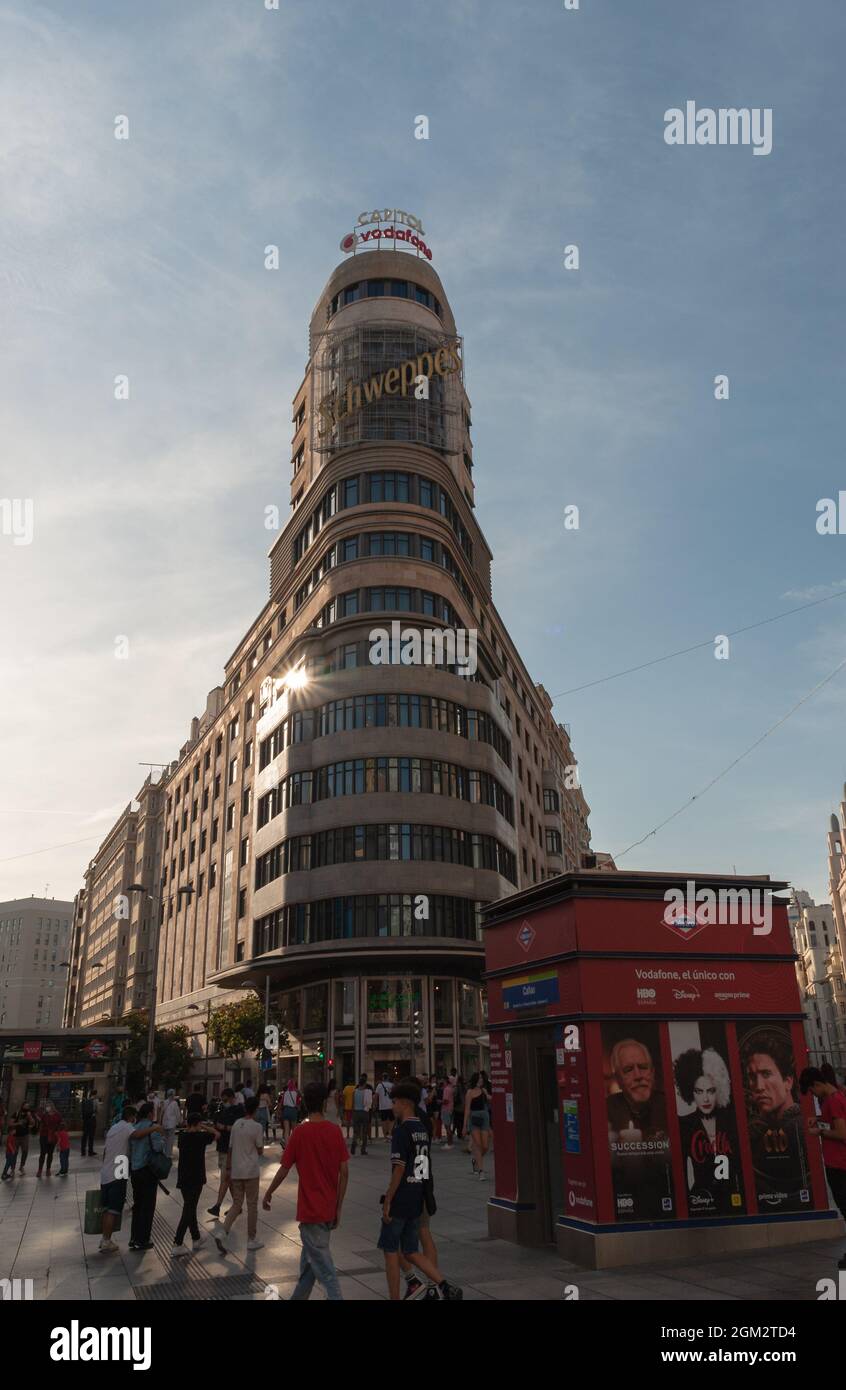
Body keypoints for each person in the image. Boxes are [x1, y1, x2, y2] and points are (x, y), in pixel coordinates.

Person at [262, 1082, 349, 1300]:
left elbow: (283, 1169)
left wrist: (269, 1192)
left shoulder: (300, 1133)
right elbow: (344, 1172)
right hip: (328, 1208)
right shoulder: (334, 1131)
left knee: (326, 1272)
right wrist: (338, 1206)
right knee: (309, 1270)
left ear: (303, 1103)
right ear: (323, 1102)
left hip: (311, 1211)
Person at [379, 1082, 462, 1301]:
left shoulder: (402, 1131)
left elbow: (399, 1168)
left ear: (405, 1104)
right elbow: (422, 1167)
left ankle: (395, 1297)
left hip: (401, 1198)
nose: (393, 1106)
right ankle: (444, 1285)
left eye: (395, 1102)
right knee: (411, 1250)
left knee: (390, 1250)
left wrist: (389, 1198)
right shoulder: (422, 1130)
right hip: (417, 1196)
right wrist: (421, 1191)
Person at [673, 1047, 743, 1214]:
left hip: (733, 1200)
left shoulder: (730, 1121)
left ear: (718, 1090)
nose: (705, 1099)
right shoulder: (684, 1125)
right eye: (699, 1091)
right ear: (690, 1091)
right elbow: (680, 1172)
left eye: (711, 1091)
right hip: (701, 1202)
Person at [800, 1066, 846, 1269]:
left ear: (817, 1084)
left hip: (838, 1164)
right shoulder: (838, 1097)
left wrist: (819, 1131)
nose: (813, 1095)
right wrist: (820, 1121)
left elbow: (842, 1134)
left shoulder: (833, 1101)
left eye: (812, 1091)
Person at [215, 1095, 265, 1252]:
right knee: (252, 1206)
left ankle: (223, 1231)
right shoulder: (257, 1127)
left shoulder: (236, 1124)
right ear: (256, 1109)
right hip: (251, 1171)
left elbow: (229, 1149)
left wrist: (229, 1168)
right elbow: (260, 1150)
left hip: (236, 1170)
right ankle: (251, 1239)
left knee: (236, 1204)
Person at [172, 1112, 216, 1257]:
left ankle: (196, 1237)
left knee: (190, 1206)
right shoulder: (201, 1136)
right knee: (189, 1208)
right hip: (196, 1177)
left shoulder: (182, 1137)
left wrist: (196, 1125)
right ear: (198, 1124)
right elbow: (216, 1134)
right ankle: (177, 1243)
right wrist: (204, 1126)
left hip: (184, 1177)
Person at [98, 1103, 138, 1252]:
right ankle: (106, 1241)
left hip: (106, 1172)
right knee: (113, 1210)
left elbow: (105, 1151)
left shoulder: (113, 1129)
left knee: (107, 1208)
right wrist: (154, 1128)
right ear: (131, 1117)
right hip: (118, 1172)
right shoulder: (127, 1127)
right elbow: (137, 1135)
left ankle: (104, 1239)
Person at [128, 1102, 165, 1251]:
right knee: (148, 1206)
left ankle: (134, 1237)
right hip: (148, 1171)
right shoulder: (153, 1129)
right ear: (150, 1113)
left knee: (137, 1205)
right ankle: (143, 1239)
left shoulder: (134, 1128)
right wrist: (162, 1139)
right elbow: (157, 1147)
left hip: (135, 1170)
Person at [208, 1086, 244, 1218]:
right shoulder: (221, 1110)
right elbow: (216, 1123)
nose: (224, 1102)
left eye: (226, 1099)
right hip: (222, 1148)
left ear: (232, 1098)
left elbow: (239, 1127)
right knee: (228, 1180)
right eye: (222, 1100)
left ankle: (217, 1206)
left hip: (232, 1150)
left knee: (225, 1178)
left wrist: (225, 1127)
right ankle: (237, 1206)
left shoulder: (239, 1110)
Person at [464, 1073, 492, 1180]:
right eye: (479, 1078)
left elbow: (490, 1098)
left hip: (484, 1118)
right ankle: (481, 1171)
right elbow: (467, 1110)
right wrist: (464, 1126)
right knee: (478, 1145)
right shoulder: (469, 1093)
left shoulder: (484, 1091)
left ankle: (476, 1160)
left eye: (482, 1078)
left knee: (485, 1146)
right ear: (475, 1079)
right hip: (474, 1119)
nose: (481, 1080)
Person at [36, 1099, 62, 1177]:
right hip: (44, 1135)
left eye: (48, 1106)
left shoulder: (57, 1115)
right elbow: (40, 1122)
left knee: (50, 1153)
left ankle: (48, 1169)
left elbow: (60, 1125)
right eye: (46, 1106)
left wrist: (58, 1134)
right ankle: (40, 1170)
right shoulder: (44, 1115)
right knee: (43, 1153)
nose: (47, 1108)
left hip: (53, 1136)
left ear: (52, 1106)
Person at [350, 1075, 373, 1155]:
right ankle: (363, 1150)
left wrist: (353, 1113)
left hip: (356, 1112)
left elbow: (352, 1104)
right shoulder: (367, 1092)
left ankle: (354, 1142)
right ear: (365, 1084)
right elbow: (369, 1103)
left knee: (356, 1131)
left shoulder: (354, 1091)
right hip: (364, 1112)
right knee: (364, 1131)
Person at [161, 1089, 182, 1158]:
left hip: (165, 1123)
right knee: (170, 1139)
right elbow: (177, 1113)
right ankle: (168, 1154)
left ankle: (164, 1152)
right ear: (173, 1095)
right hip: (172, 1123)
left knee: (165, 1138)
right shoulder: (175, 1103)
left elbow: (162, 1112)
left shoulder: (164, 1102)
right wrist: (180, 1121)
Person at [280, 1078, 301, 1146]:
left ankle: (286, 1144)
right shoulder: (296, 1093)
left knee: (286, 1129)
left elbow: (282, 1103)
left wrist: (279, 1111)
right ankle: (294, 1144)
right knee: (294, 1129)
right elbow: (298, 1104)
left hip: (286, 1110)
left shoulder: (285, 1093)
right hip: (293, 1111)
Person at [375, 1074, 394, 1140]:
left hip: (383, 1106)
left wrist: (375, 1104)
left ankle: (385, 1136)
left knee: (383, 1121)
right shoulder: (392, 1085)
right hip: (391, 1105)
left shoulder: (379, 1085)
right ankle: (390, 1133)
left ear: (383, 1078)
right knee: (391, 1120)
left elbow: (376, 1095)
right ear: (388, 1078)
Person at [80, 1089, 99, 1157]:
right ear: (95, 1094)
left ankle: (83, 1151)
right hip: (92, 1119)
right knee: (91, 1136)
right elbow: (97, 1110)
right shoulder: (95, 1101)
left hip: (85, 1120)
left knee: (84, 1136)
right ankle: (90, 1151)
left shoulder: (85, 1100)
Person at [440, 1074, 455, 1148]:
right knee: (449, 1126)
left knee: (447, 1127)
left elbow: (445, 1101)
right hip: (450, 1108)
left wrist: (440, 1102)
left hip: (446, 1109)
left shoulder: (446, 1089)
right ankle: (451, 1142)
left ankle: (449, 1143)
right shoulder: (451, 1088)